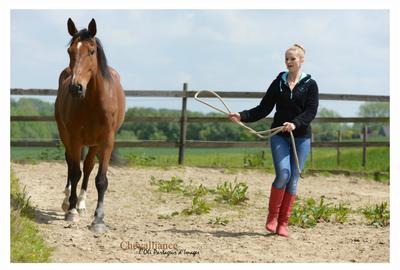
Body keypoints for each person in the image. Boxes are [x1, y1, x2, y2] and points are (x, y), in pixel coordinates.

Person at [228, 44, 319, 237]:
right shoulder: (278, 82)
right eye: (286, 58)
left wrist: (295, 123)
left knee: (294, 178)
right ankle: (272, 217)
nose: (288, 62)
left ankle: (283, 224)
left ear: (301, 61)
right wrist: (242, 115)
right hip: (279, 135)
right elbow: (264, 108)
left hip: (301, 137)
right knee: (283, 174)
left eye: (292, 59)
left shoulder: (311, 85)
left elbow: (311, 111)